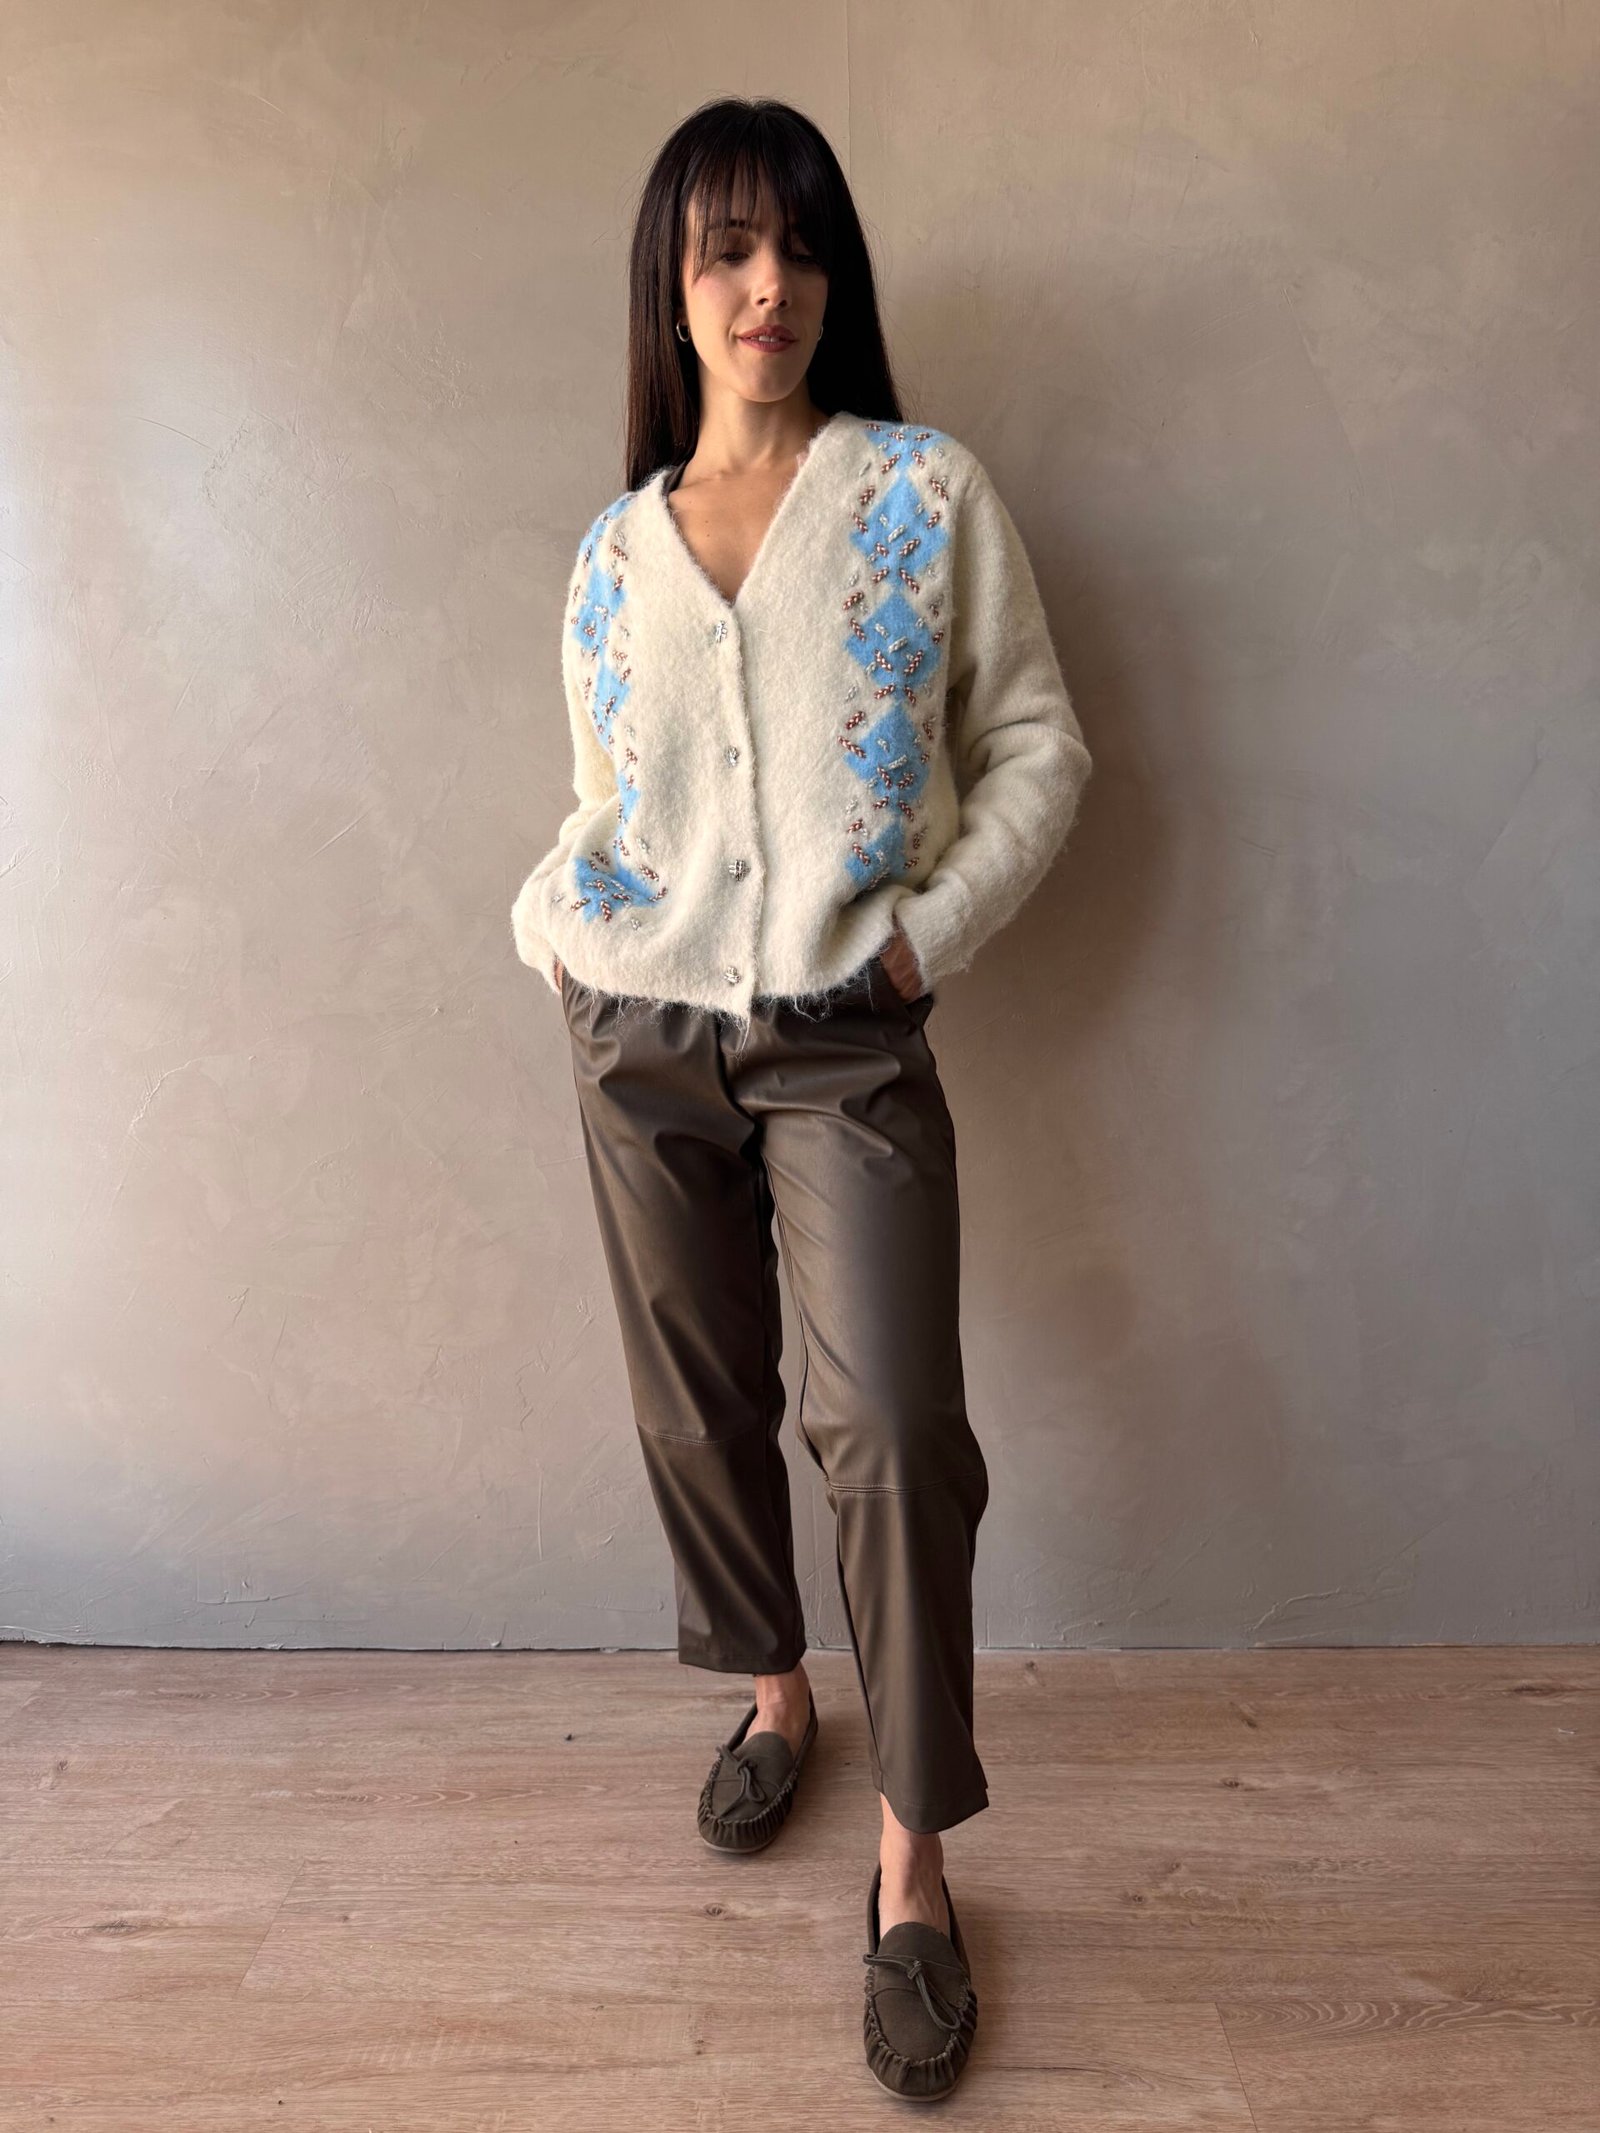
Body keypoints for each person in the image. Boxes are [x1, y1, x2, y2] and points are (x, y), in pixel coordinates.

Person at [511, 95, 1092, 2103]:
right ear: (670, 287)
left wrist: (924, 939)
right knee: (696, 1399)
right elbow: (607, 804)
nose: (770, 287)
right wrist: (564, 929)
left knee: (893, 1426)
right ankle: (777, 1691)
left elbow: (1038, 745)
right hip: (638, 1027)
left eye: (802, 247)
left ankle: (913, 1858)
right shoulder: (612, 553)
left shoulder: (925, 493)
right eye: (728, 250)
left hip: (850, 1025)